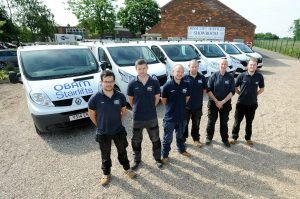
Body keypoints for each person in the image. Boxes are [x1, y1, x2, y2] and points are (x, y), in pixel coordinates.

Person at [88, 70, 136, 186]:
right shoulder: (95, 98)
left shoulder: (120, 96)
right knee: (105, 154)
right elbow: (91, 114)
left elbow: (124, 112)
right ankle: (106, 174)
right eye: (106, 82)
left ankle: (127, 169)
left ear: (114, 82)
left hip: (118, 130)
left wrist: (117, 122)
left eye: (111, 81)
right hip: (103, 133)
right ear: (101, 82)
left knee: (122, 151)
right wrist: (99, 125)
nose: (108, 84)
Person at [127, 59, 163, 170]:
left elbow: (157, 98)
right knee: (136, 140)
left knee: (155, 139)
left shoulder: (154, 82)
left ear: (147, 68)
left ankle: (157, 158)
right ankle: (137, 160)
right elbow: (130, 99)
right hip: (137, 118)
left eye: (144, 68)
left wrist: (151, 107)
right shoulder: (132, 83)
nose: (142, 71)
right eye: (139, 69)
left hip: (151, 117)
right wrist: (136, 109)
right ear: (136, 69)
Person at [230, 57, 265, 146]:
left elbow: (262, 88)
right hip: (241, 103)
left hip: (252, 104)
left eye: (254, 65)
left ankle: (248, 138)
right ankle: (234, 137)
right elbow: (235, 87)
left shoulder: (259, 76)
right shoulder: (241, 76)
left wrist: (255, 95)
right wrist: (240, 93)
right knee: (237, 121)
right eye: (251, 65)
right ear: (248, 66)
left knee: (249, 122)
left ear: (256, 66)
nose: (252, 66)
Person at [161, 64, 191, 164]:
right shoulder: (167, 86)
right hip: (170, 118)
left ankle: (181, 150)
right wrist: (172, 108)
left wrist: (180, 107)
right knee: (167, 138)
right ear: (173, 72)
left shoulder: (186, 84)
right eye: (177, 71)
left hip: (182, 117)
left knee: (180, 136)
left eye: (181, 72)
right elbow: (164, 100)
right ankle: (165, 155)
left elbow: (187, 98)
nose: (179, 74)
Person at [205, 58, 235, 147]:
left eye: (225, 64)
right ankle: (209, 137)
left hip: (225, 104)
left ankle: (225, 139)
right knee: (211, 122)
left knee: (224, 122)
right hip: (213, 103)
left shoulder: (230, 77)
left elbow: (232, 91)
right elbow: (209, 90)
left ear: (227, 66)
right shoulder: (213, 76)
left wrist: (222, 102)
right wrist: (216, 101)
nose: (223, 66)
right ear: (219, 65)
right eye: (222, 64)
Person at [183, 59, 207, 147]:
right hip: (186, 107)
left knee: (196, 124)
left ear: (198, 67)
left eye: (196, 67)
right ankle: (182, 139)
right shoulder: (184, 78)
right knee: (184, 124)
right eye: (192, 66)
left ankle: (196, 139)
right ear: (189, 67)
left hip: (197, 106)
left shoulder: (202, 77)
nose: (194, 68)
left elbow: (204, 90)